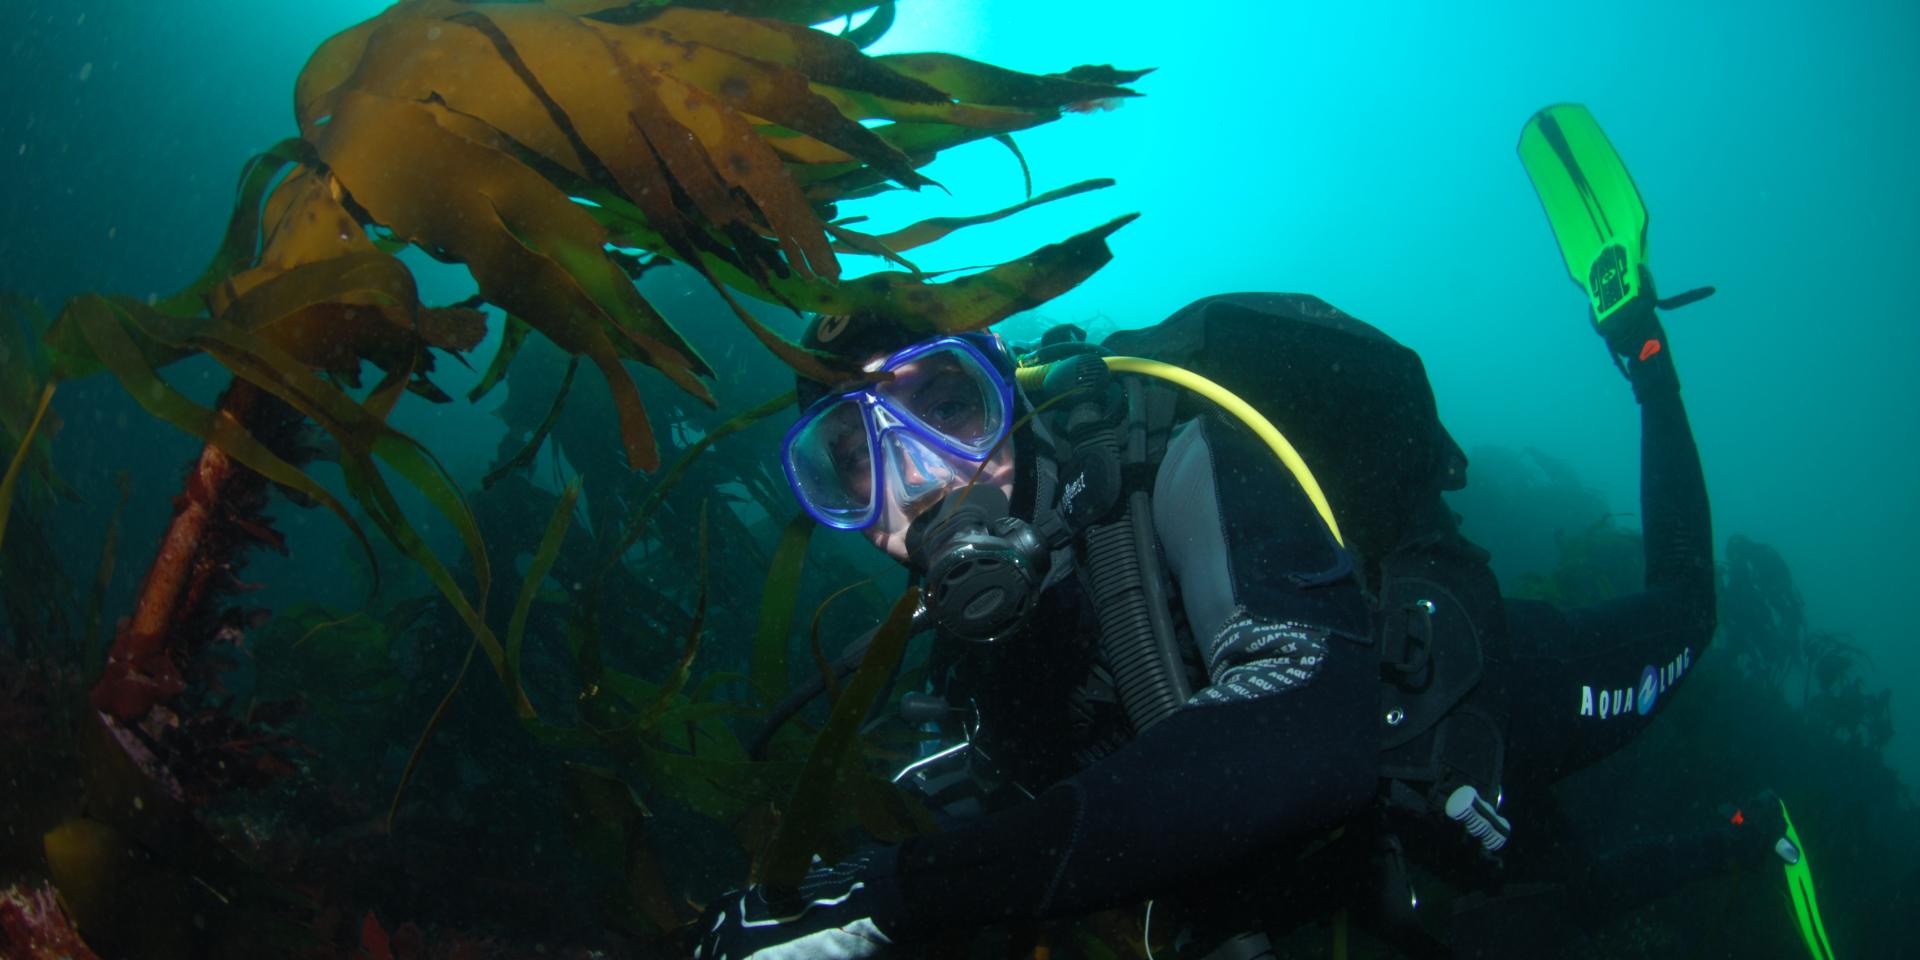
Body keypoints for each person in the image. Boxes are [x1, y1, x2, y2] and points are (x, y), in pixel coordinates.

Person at [690, 276, 1806, 960]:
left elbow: (1311, 727)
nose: (921, 479)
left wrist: (895, 897)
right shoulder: (976, 668)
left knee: (1686, 619)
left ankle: (1643, 346)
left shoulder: (1170, 459)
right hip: (1340, 859)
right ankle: (1749, 837)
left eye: (946, 407)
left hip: (1478, 689)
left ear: (1015, 393)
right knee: (1523, 912)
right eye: (852, 464)